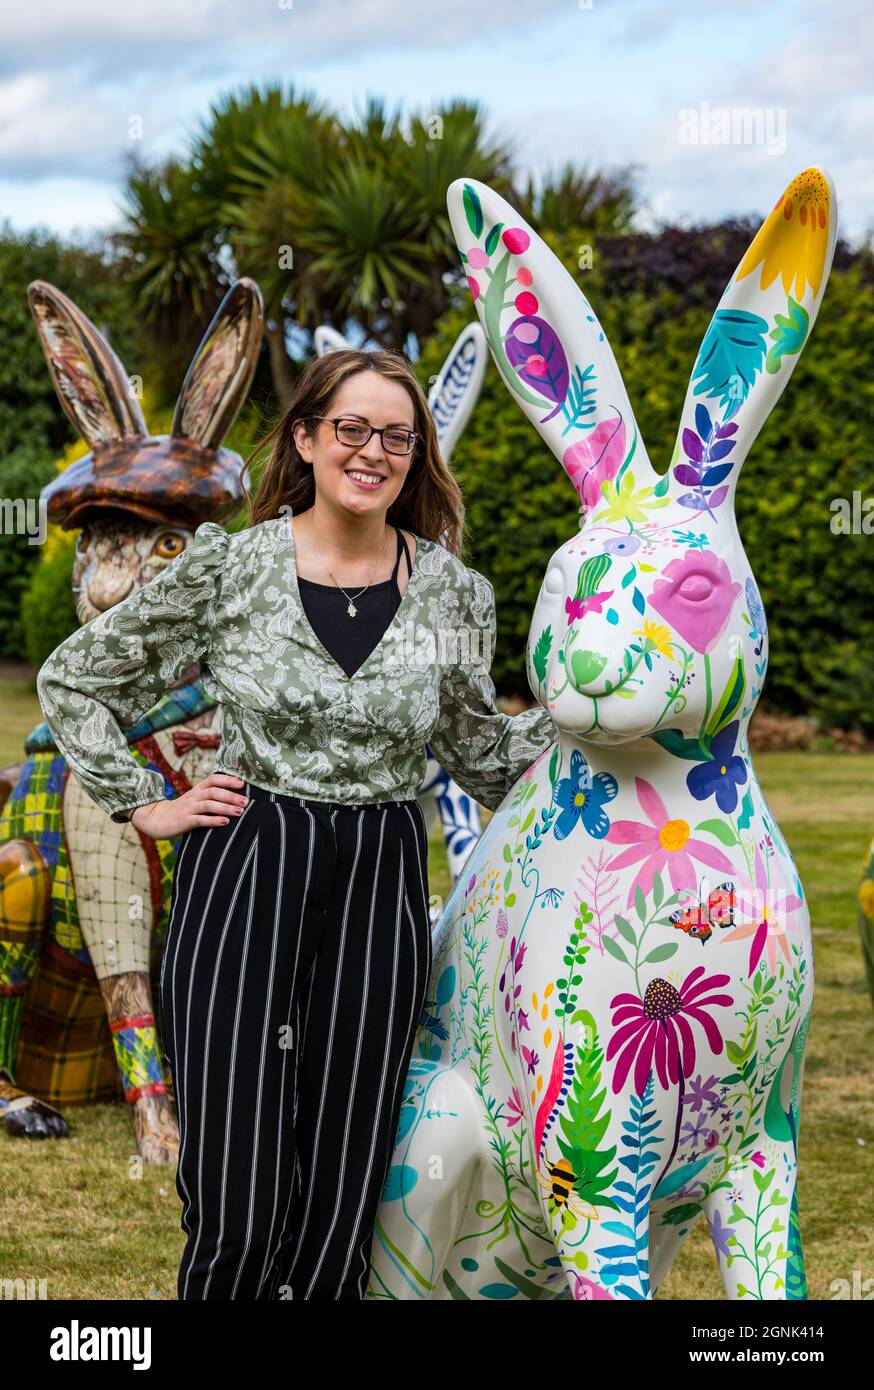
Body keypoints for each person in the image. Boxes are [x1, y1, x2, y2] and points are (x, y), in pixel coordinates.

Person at [36, 347, 557, 1300]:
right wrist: (145, 803)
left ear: (416, 454)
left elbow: (479, 749)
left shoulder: (452, 595)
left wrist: (604, 726)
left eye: (397, 435)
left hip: (377, 878)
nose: (374, 451)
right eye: (350, 429)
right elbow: (76, 680)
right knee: (237, 1196)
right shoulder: (230, 569)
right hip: (247, 864)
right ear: (308, 439)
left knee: (342, 1189)